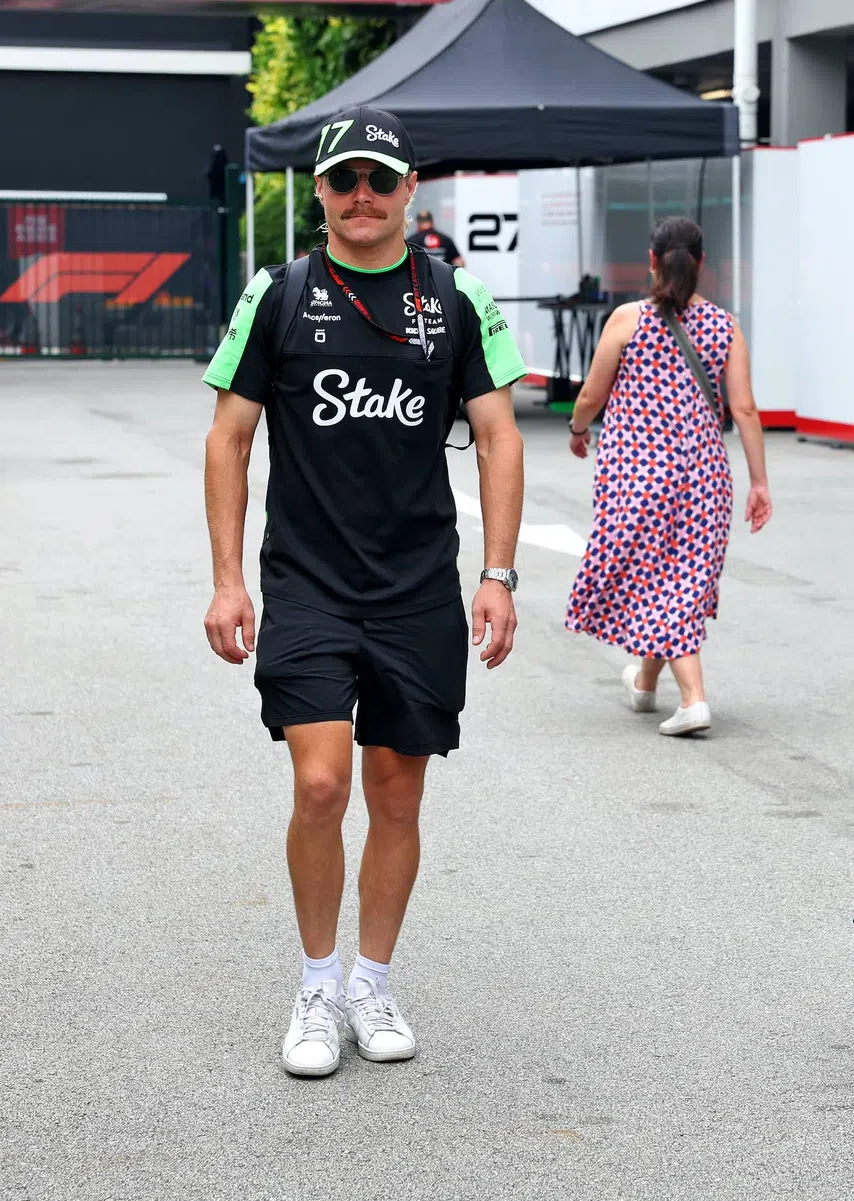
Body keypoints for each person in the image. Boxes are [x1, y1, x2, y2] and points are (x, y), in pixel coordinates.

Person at [200, 104, 528, 1078]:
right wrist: (227, 581)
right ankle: (314, 981)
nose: (361, 197)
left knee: (394, 790)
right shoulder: (278, 293)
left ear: (407, 190)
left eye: (379, 180)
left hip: (416, 588)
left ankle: (370, 981)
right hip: (306, 584)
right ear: (318, 192)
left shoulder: (456, 300)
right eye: (343, 180)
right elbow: (227, 437)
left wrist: (498, 574)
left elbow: (501, 435)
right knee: (319, 781)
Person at [563, 216, 772, 735]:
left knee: (657, 580)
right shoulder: (725, 325)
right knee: (681, 580)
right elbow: (744, 410)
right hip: (705, 476)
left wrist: (577, 428)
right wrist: (760, 483)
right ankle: (644, 683)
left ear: (652, 261)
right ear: (701, 264)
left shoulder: (628, 319)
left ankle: (694, 697)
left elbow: (591, 393)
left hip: (637, 472)